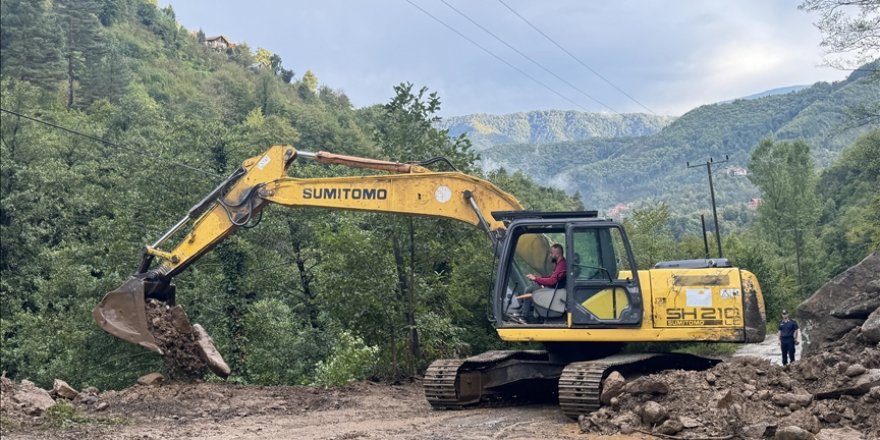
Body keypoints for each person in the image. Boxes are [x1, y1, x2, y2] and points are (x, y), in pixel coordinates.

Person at [509, 244, 566, 324]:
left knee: (534, 288)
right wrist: (537, 278)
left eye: (551, 253)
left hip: (557, 291)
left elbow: (552, 281)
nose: (550, 255)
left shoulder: (562, 265)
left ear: (557, 254)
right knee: (529, 289)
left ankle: (530, 316)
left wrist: (536, 279)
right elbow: (552, 278)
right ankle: (523, 314)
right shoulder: (559, 264)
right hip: (555, 289)